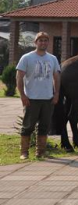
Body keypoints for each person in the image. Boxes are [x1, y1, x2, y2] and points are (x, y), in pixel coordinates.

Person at [16, 32, 60, 160]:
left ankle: (40, 152)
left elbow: (56, 77)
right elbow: (19, 77)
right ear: (35, 42)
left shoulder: (52, 59)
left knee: (44, 126)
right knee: (28, 126)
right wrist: (22, 95)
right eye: (40, 40)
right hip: (31, 99)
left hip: (48, 99)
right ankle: (24, 152)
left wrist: (56, 94)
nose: (43, 43)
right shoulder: (27, 58)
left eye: (46, 40)